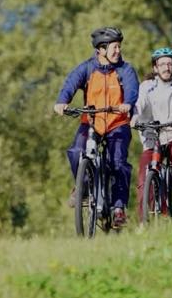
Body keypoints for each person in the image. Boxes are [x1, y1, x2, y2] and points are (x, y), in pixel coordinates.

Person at [54, 27, 139, 228]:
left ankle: (118, 208)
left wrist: (128, 102)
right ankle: (82, 187)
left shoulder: (125, 70)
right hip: (91, 122)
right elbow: (70, 84)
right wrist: (62, 101)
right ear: (101, 49)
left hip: (117, 124)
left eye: (119, 46)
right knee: (76, 152)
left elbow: (132, 88)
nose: (118, 50)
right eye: (114, 47)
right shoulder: (87, 68)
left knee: (118, 163)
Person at [131, 47, 172, 217]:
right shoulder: (147, 86)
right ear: (155, 68)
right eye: (162, 64)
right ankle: (144, 220)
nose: (166, 67)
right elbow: (140, 102)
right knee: (145, 175)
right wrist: (135, 116)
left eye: (169, 64)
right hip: (153, 135)